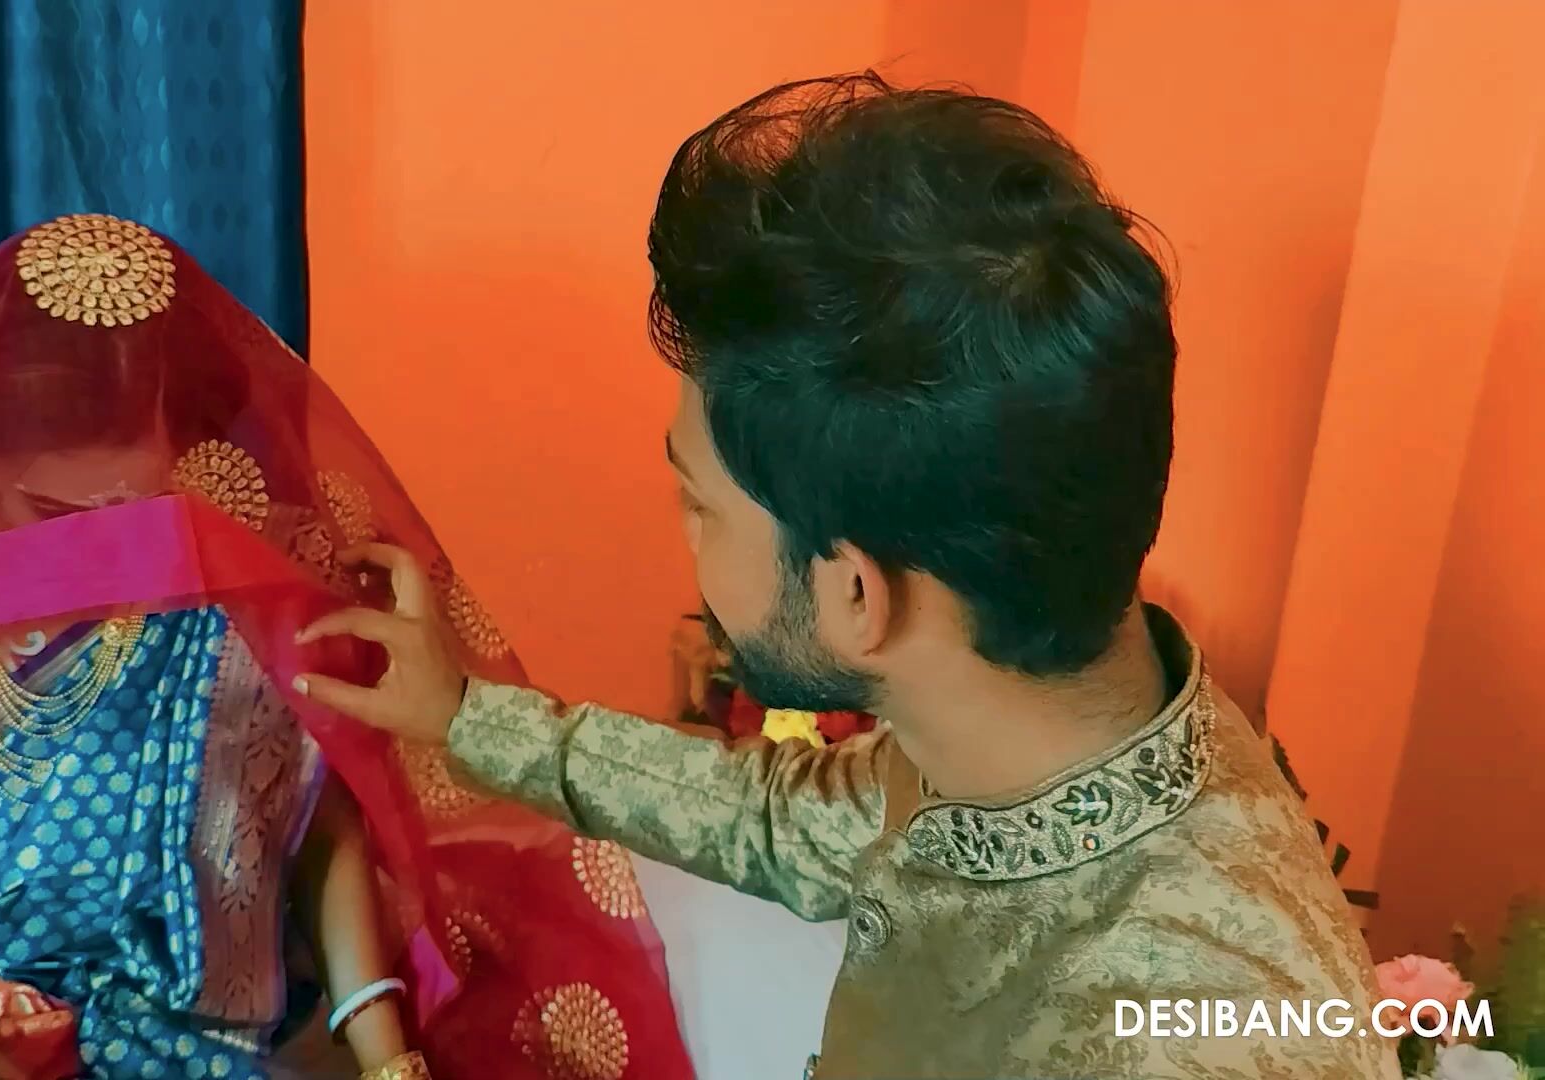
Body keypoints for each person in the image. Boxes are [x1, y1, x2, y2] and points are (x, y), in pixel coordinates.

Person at [292, 75, 1398, 1079]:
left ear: (858, 595)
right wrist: (465, 714)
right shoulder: (1046, 726)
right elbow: (794, 822)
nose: (685, 536)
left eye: (698, 503)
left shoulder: (1178, 1036)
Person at [0, 215, 695, 1080]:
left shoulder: (237, 602)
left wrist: (388, 1057)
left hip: (206, 1049)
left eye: (134, 511)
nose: (98, 554)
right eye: (52, 516)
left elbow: (314, 829)